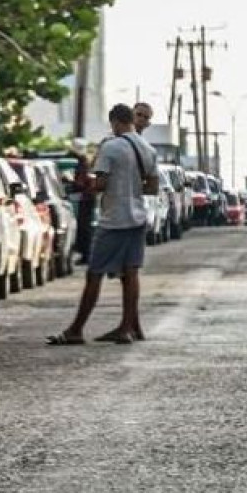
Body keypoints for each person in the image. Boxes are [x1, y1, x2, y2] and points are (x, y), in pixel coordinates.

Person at [49, 104, 158, 346]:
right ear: (132, 119)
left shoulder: (111, 146)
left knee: (94, 273)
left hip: (114, 220)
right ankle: (127, 328)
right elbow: (153, 187)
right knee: (131, 273)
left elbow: (101, 183)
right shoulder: (148, 149)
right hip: (138, 218)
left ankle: (76, 329)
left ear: (115, 122)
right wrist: (130, 185)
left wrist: (91, 183)